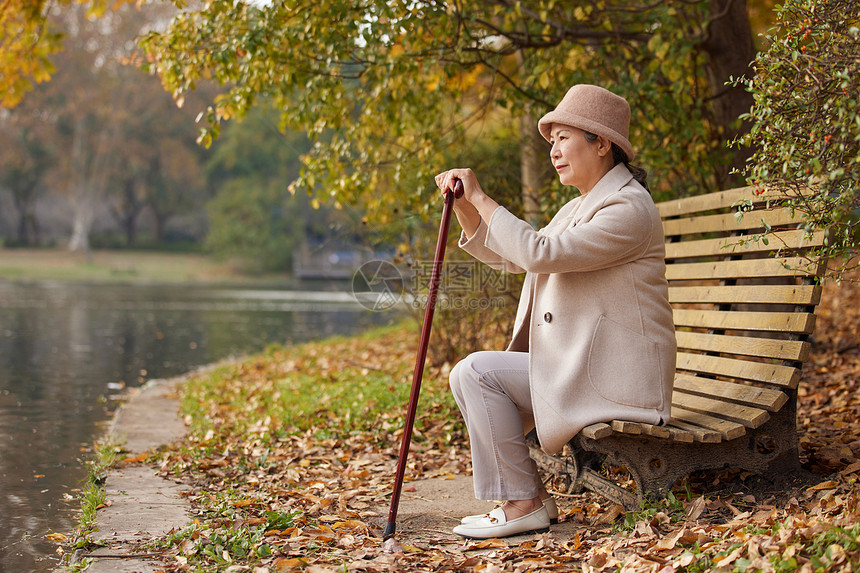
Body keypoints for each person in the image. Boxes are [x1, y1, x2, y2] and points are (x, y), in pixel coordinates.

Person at [435, 84, 676, 539]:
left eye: (565, 137)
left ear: (602, 144)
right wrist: (468, 208)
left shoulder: (627, 208)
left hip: (621, 378)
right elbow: (514, 258)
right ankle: (528, 499)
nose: (555, 150)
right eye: (552, 141)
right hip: (587, 365)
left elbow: (539, 253)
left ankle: (523, 501)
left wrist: (485, 199)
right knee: (471, 373)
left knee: (477, 373)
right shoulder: (579, 207)